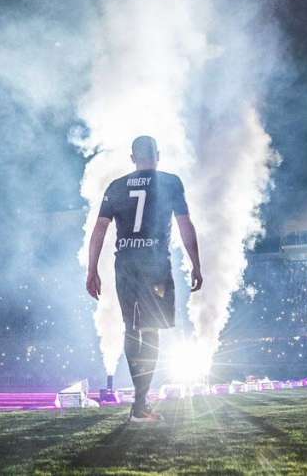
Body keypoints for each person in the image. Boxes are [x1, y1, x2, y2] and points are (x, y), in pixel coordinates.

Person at [85, 135, 202, 423]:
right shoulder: (170, 181)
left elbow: (99, 229)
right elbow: (185, 224)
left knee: (130, 328)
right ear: (158, 154)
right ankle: (140, 405)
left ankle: (140, 404)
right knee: (151, 331)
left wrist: (91, 269)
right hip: (154, 266)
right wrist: (196, 264)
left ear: (132, 158)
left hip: (124, 264)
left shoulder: (116, 186)